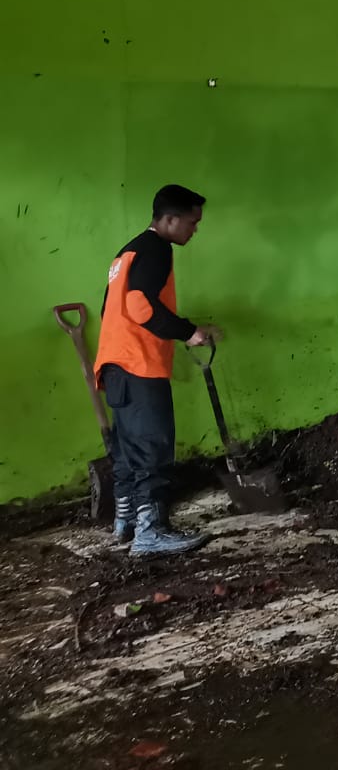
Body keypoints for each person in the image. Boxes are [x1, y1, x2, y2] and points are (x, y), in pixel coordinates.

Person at [94, 184, 221, 557]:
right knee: (152, 448)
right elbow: (140, 307)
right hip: (139, 365)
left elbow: (112, 311)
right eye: (192, 222)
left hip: (116, 364)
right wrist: (189, 332)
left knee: (128, 448)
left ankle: (126, 521)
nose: (195, 230)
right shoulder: (155, 250)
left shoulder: (127, 252)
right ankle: (151, 531)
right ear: (170, 219)